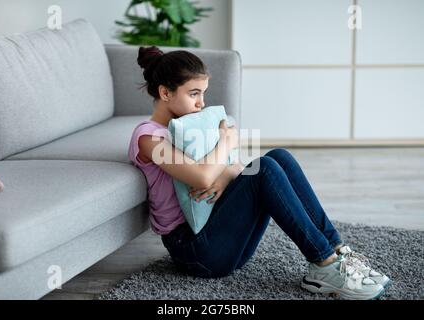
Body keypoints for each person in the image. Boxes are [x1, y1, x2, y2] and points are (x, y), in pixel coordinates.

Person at [128, 46, 391, 300]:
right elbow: (203, 178)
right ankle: (324, 264)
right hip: (196, 254)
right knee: (264, 168)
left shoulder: (187, 128)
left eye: (203, 94)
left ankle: (337, 253)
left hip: (222, 237)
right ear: (165, 93)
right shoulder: (149, 139)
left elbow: (238, 169)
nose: (202, 103)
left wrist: (228, 169)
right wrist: (227, 142)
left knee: (279, 157)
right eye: (194, 93)